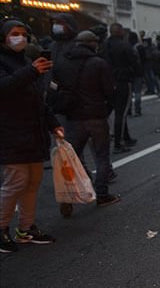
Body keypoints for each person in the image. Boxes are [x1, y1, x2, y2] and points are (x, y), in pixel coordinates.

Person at [0, 18, 62, 253]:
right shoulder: (16, 64)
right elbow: (4, 87)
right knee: (14, 183)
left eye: (23, 34)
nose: (20, 38)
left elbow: (37, 99)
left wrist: (53, 124)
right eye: (14, 34)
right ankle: (2, 228)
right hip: (9, 133)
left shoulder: (26, 61)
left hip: (32, 131)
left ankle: (26, 228)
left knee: (32, 182)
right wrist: (31, 71)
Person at [54, 30, 120, 213]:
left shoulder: (63, 63)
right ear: (92, 44)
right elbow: (110, 91)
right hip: (96, 115)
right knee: (101, 156)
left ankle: (67, 198)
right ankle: (102, 194)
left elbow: (55, 88)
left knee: (71, 158)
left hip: (74, 117)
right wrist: (106, 109)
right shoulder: (98, 63)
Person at [103, 23, 141, 153]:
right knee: (122, 112)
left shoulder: (104, 45)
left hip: (107, 81)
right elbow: (134, 62)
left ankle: (126, 137)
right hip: (122, 80)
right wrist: (136, 74)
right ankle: (119, 143)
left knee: (116, 110)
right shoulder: (124, 45)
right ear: (120, 32)